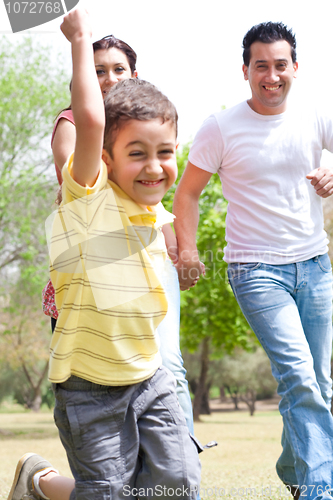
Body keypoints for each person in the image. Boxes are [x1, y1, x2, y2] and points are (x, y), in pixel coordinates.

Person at [7, 9, 201, 500]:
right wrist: (79, 35)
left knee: (177, 482)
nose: (154, 167)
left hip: (147, 373)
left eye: (165, 152)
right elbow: (91, 118)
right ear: (106, 158)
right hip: (90, 385)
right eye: (137, 153)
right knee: (107, 493)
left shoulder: (151, 208)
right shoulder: (90, 194)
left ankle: (55, 485)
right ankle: (41, 481)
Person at [173, 21, 333, 500]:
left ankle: (294, 466)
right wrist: (186, 252)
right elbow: (187, 194)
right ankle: (319, 489)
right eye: (260, 66)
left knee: (320, 383)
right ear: (245, 71)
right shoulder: (221, 127)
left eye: (280, 65)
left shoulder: (316, 117)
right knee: (299, 375)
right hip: (254, 269)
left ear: (295, 68)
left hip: (315, 264)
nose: (271, 75)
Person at [42, 30, 194, 433]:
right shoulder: (76, 124)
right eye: (97, 72)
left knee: (169, 364)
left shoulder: (145, 126)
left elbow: (158, 205)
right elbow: (85, 153)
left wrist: (181, 250)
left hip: (148, 256)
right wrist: (79, 34)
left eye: (118, 69)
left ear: (134, 74)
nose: (109, 78)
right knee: (104, 375)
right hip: (99, 260)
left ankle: (180, 461)